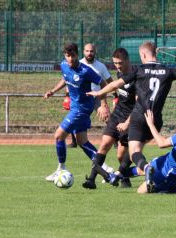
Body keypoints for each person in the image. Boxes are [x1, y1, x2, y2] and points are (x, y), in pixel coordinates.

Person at [86, 41, 176, 187]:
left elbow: (115, 85)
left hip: (139, 116)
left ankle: (146, 168)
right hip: (156, 120)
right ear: (156, 53)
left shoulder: (138, 71)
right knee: (132, 151)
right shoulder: (169, 71)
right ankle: (119, 175)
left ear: (143, 54)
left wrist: (98, 92)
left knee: (134, 152)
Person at [44, 42, 112, 182]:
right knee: (82, 141)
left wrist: (104, 103)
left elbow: (104, 84)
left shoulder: (86, 70)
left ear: (77, 54)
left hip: (82, 109)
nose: (70, 59)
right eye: (68, 56)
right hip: (76, 108)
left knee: (59, 136)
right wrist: (53, 91)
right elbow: (65, 78)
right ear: (65, 55)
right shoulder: (64, 65)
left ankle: (61, 169)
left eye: (73, 55)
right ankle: (105, 168)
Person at [82, 48, 137, 189]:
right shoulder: (120, 73)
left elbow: (139, 105)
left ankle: (123, 177)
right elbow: (113, 88)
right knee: (104, 144)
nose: (118, 66)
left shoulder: (137, 76)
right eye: (115, 63)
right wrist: (107, 101)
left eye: (120, 63)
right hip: (117, 114)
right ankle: (91, 180)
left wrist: (126, 122)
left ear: (127, 60)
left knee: (120, 155)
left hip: (131, 117)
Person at [67, 43, 113, 148]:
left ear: (95, 52)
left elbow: (109, 82)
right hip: (82, 98)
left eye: (91, 51)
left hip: (97, 97)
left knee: (107, 117)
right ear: (83, 52)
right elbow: (69, 79)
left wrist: (114, 96)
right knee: (74, 118)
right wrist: (67, 95)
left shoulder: (101, 66)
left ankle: (114, 139)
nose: (89, 53)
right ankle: (74, 141)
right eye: (87, 51)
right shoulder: (77, 64)